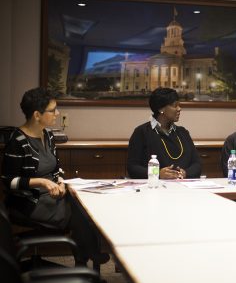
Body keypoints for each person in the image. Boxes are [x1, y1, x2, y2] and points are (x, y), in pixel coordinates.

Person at [1, 87, 108, 265]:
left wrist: (60, 182)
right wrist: (42, 182)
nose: (57, 114)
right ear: (37, 115)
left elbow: (57, 168)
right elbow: (8, 181)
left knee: (84, 204)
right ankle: (88, 258)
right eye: (52, 110)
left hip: (52, 195)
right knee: (78, 214)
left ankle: (86, 259)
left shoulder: (48, 135)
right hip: (27, 202)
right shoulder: (17, 141)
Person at [127, 87, 201, 179]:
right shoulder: (142, 132)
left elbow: (197, 164)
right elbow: (132, 167)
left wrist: (185, 173)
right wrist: (157, 174)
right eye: (175, 105)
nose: (179, 109)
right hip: (154, 189)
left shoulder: (183, 132)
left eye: (179, 105)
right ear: (161, 109)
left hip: (184, 187)